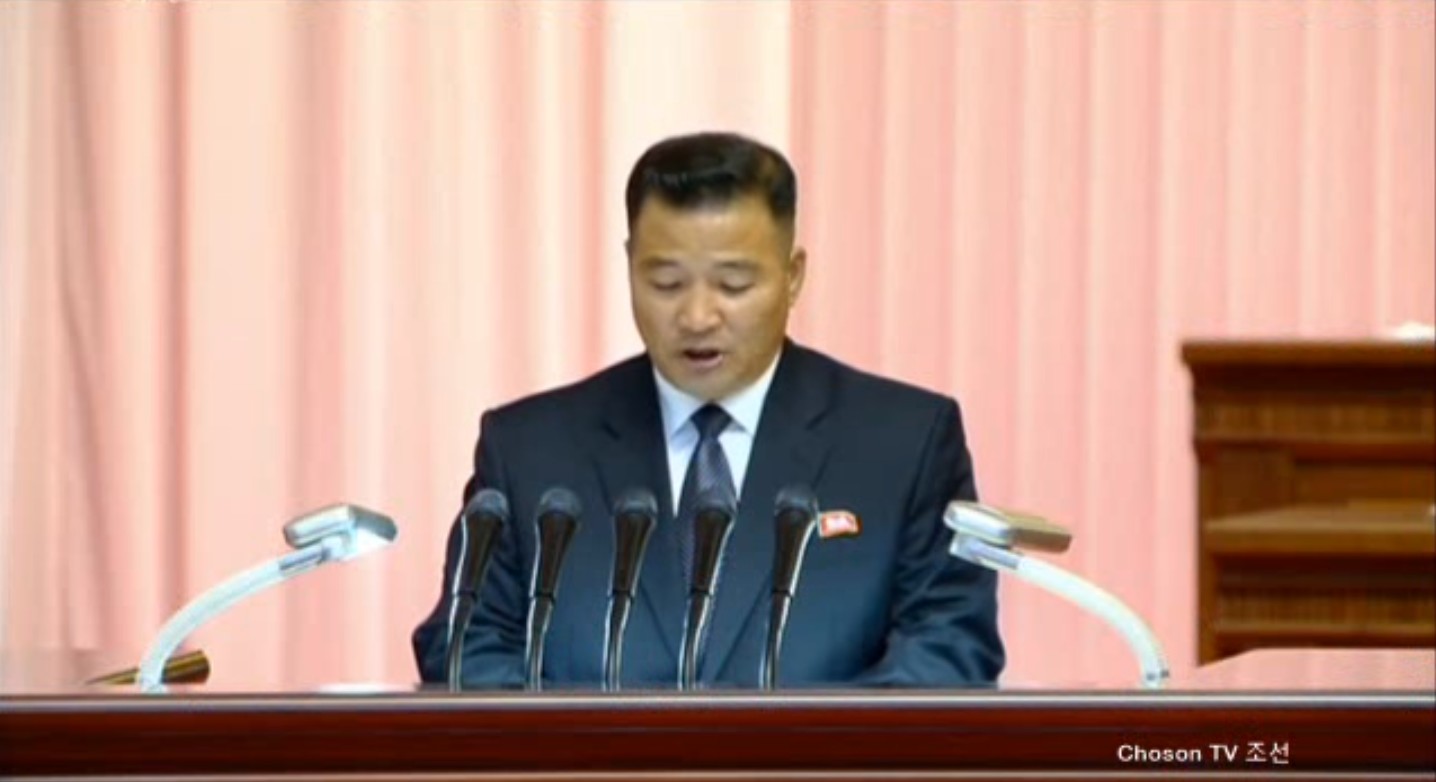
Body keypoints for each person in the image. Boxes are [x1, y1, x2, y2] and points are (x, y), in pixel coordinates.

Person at [412, 132, 1003, 688]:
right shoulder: (529, 450)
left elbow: (946, 649)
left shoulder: (904, 445)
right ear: (630, 265)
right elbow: (467, 645)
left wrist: (789, 752)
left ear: (793, 276)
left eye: (733, 285)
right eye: (666, 283)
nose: (697, 317)